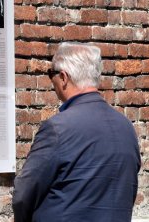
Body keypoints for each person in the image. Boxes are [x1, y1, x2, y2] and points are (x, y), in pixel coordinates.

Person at [12, 42, 141, 222]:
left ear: (64, 77)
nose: (52, 82)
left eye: (52, 74)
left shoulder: (57, 128)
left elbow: (24, 193)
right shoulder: (126, 127)